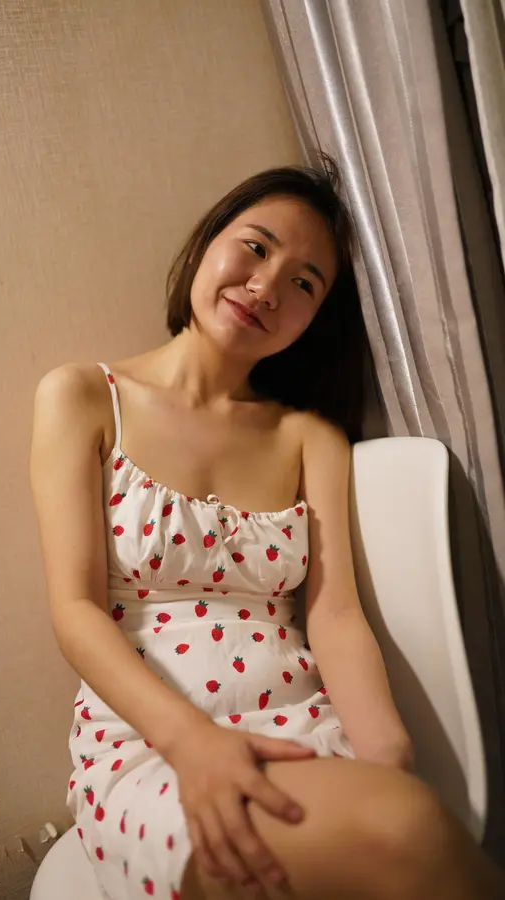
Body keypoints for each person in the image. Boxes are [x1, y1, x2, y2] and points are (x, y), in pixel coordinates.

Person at [30, 156, 505, 899]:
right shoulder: (85, 396)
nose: (266, 286)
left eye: (304, 283)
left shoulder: (308, 437)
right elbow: (75, 610)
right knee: (384, 843)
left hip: (301, 724)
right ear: (206, 242)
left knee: (408, 829)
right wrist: (193, 742)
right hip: (150, 744)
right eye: (256, 247)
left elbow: (335, 614)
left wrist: (388, 754)